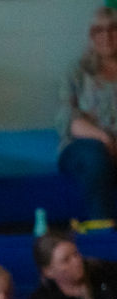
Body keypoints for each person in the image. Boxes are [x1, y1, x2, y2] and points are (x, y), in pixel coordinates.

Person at [57, 5, 117, 223]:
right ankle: (101, 229)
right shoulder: (78, 71)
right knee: (96, 154)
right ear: (91, 36)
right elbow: (68, 120)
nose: (106, 36)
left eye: (113, 29)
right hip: (82, 148)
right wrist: (103, 138)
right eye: (98, 30)